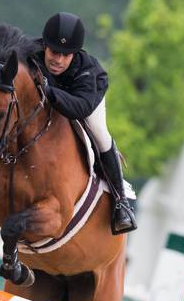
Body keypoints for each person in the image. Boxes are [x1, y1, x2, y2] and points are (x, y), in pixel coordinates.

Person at [32, 12, 136, 235]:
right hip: (54, 93)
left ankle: (121, 203)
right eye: (53, 52)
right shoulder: (31, 51)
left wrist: (49, 91)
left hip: (85, 99)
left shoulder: (87, 70)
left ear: (75, 53)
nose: (58, 60)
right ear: (44, 46)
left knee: (99, 131)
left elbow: (79, 108)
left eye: (65, 55)